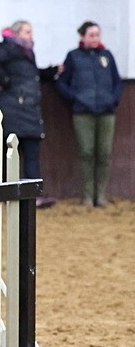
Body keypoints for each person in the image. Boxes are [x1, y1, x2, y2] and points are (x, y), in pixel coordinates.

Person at [0, 20, 60, 208]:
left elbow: (28, 74)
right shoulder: (9, 48)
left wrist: (49, 73)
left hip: (27, 109)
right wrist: (5, 80)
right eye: (27, 32)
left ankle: (29, 195)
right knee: (11, 155)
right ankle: (8, 193)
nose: (30, 35)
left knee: (29, 155)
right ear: (17, 33)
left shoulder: (25, 52)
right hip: (14, 109)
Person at [55, 21, 123, 207]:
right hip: (83, 112)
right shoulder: (73, 57)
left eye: (97, 35)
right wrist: (75, 99)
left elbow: (117, 81)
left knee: (104, 154)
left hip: (106, 111)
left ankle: (100, 195)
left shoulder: (107, 56)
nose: (95, 38)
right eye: (91, 35)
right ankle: (86, 196)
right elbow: (61, 82)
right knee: (87, 153)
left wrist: (113, 99)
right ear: (82, 37)